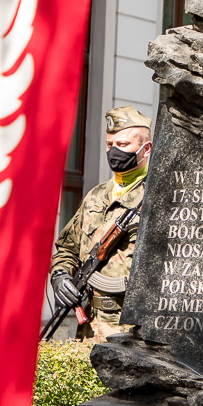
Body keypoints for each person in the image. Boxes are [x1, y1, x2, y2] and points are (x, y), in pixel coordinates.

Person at [49, 106, 153, 342]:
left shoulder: (158, 199)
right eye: (109, 144)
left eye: (123, 145)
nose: (113, 151)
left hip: (133, 331)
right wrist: (61, 276)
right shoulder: (96, 196)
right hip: (90, 328)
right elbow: (68, 248)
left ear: (146, 149)